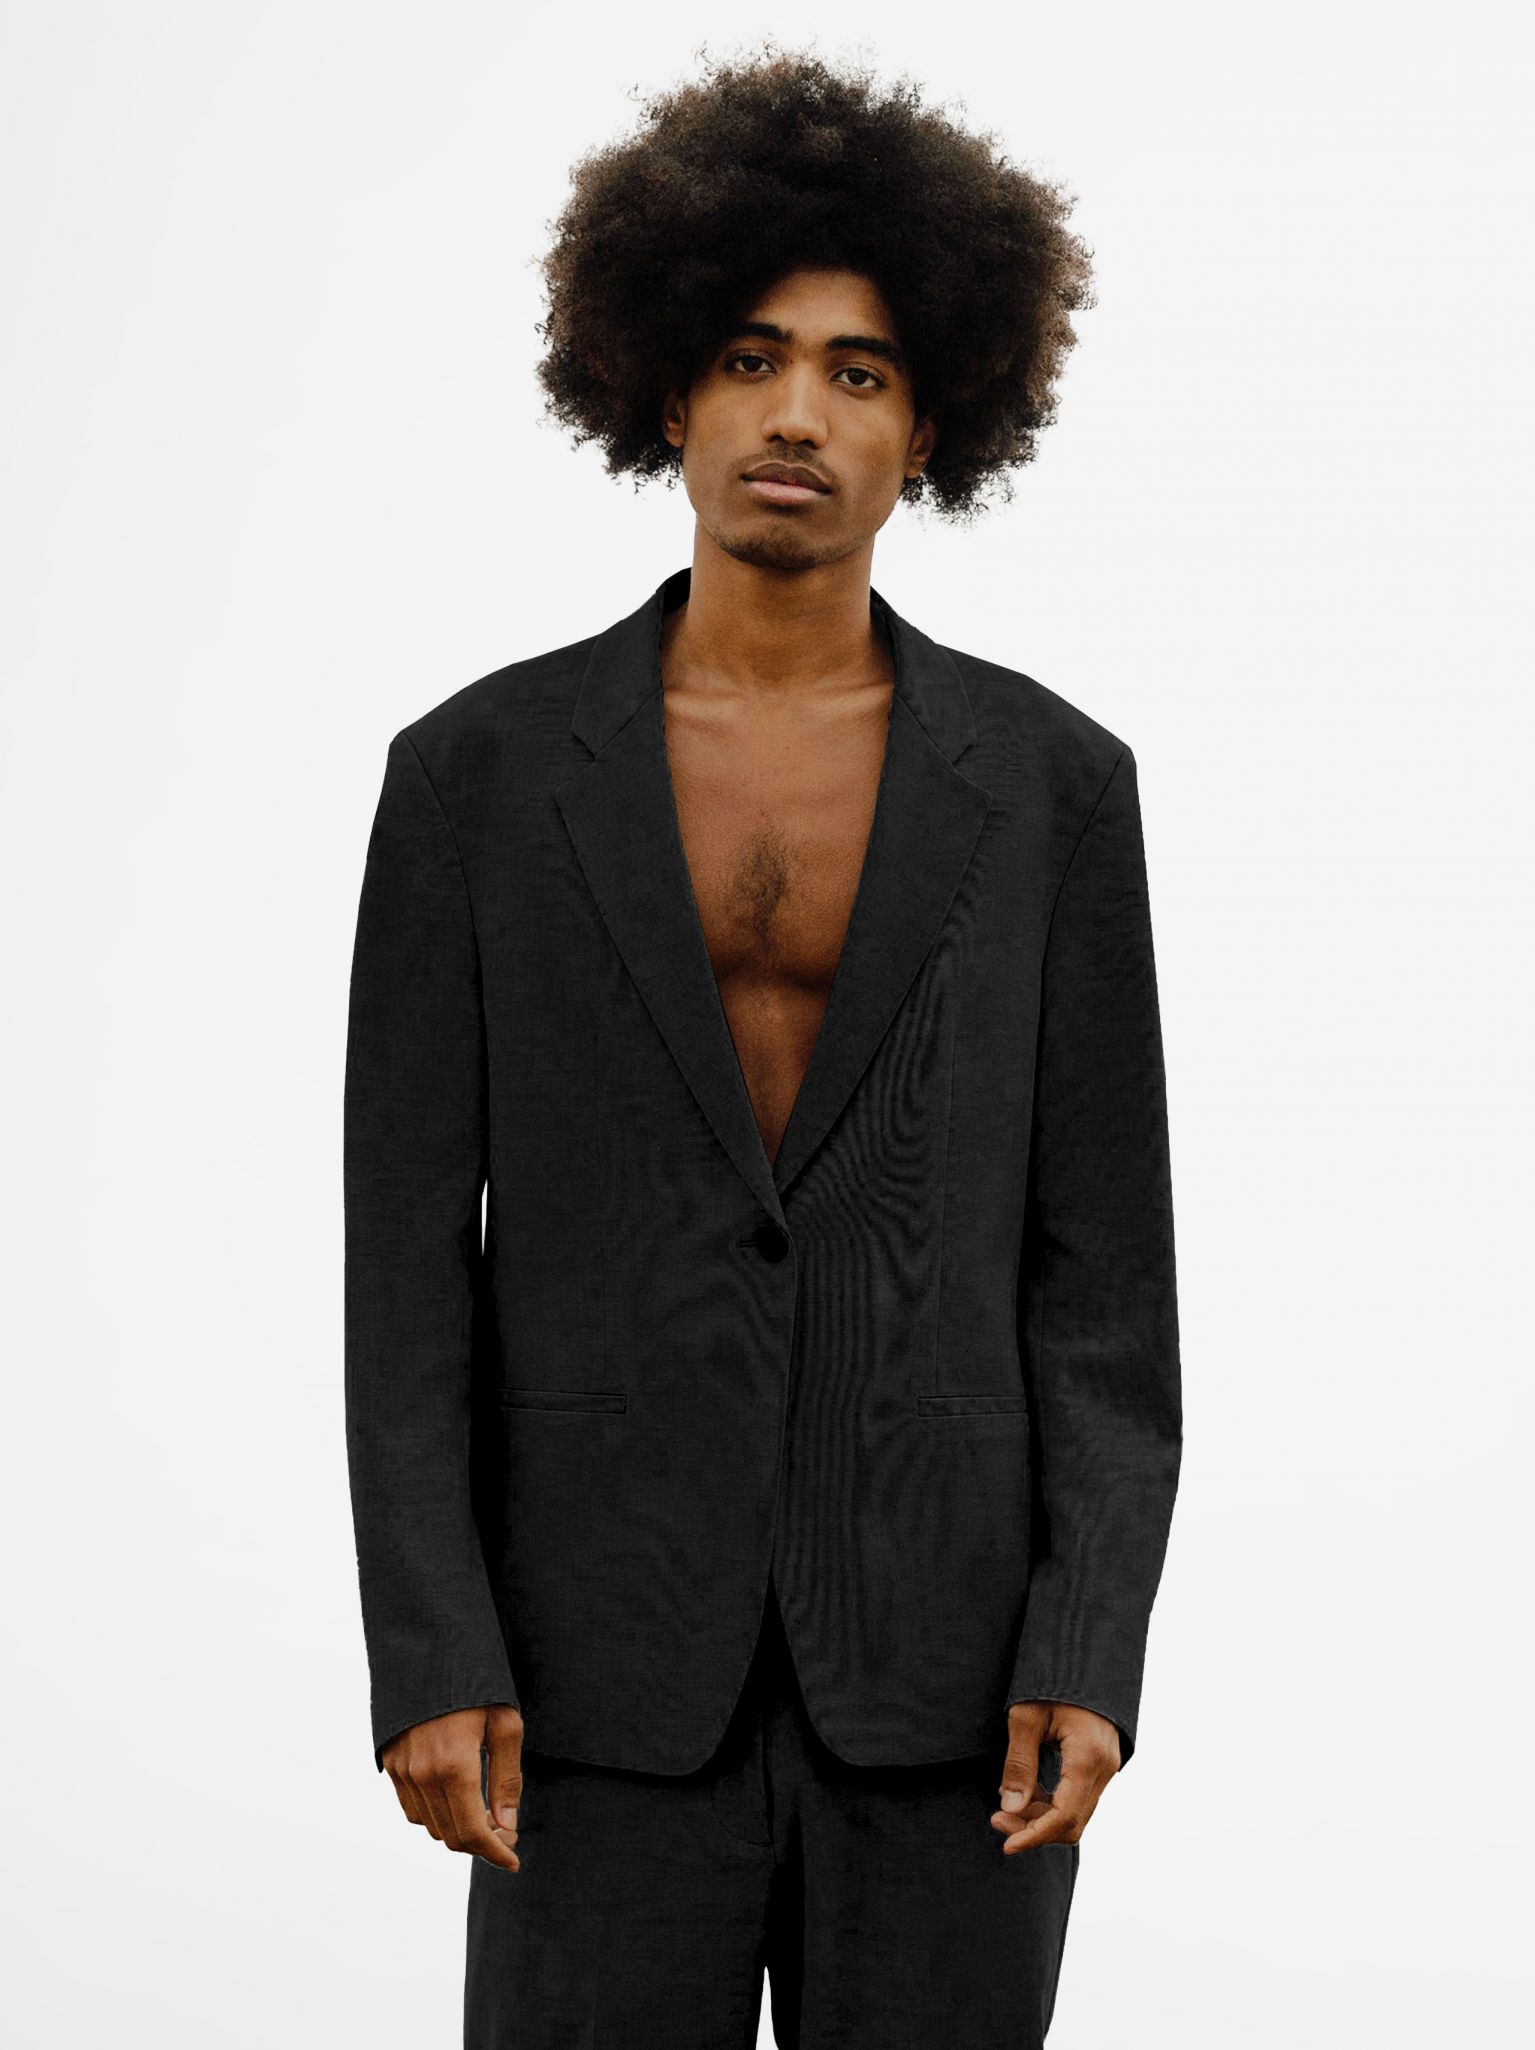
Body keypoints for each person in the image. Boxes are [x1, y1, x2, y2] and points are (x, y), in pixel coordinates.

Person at [344, 42, 1182, 2049]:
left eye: (859, 371)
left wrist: (1088, 1639)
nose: (797, 411)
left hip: (956, 1691)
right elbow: (404, 1272)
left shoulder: (1056, 789)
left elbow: (1104, 1283)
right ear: (665, 391)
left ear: (932, 425)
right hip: (589, 1677)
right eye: (748, 357)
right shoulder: (473, 779)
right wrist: (433, 1646)